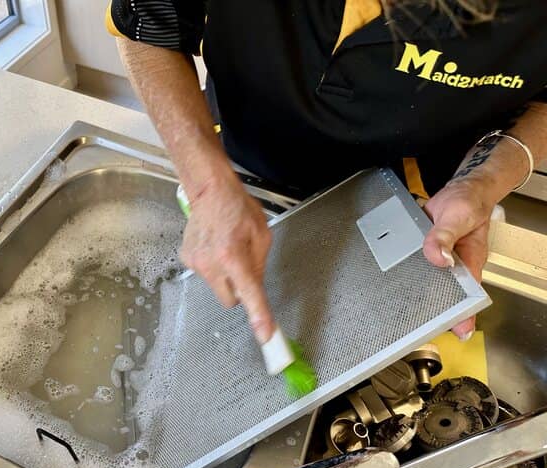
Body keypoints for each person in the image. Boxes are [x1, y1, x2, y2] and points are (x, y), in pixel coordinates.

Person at [106, 0, 547, 355]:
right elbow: (148, 27)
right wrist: (205, 184)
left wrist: (482, 182)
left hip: (415, 208)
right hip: (238, 154)